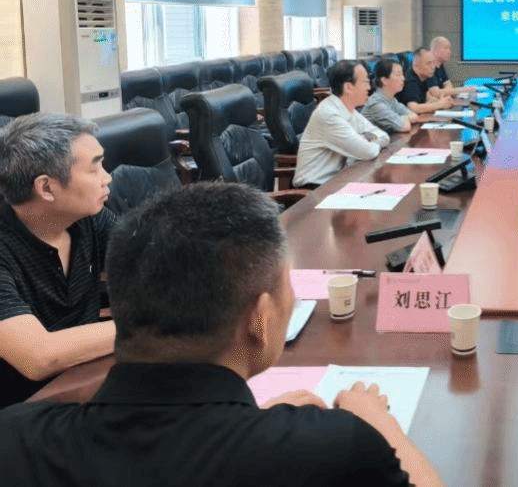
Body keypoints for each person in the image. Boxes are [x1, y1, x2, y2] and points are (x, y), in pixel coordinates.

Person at [0, 182, 446, 485]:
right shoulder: (332, 448)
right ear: (260, 319)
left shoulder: (15, 438)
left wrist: (247, 422)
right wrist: (376, 420)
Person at [0, 113, 116, 408]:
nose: (107, 178)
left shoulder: (89, 218)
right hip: (19, 411)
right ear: (46, 188)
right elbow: (39, 356)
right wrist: (147, 326)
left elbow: (153, 261)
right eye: (95, 169)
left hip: (82, 384)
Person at [293, 60, 390, 189]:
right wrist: (369, 141)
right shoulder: (328, 114)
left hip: (337, 181)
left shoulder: (349, 109)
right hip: (314, 189)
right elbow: (368, 152)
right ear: (348, 87)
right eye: (365, 82)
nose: (369, 87)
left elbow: (383, 136)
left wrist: (368, 141)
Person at [362, 58, 419, 134]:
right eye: (398, 75)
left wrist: (402, 118)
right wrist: (404, 118)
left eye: (402, 74)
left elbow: (414, 116)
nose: (403, 78)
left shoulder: (391, 99)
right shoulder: (375, 104)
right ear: (384, 80)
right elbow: (404, 126)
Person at [398, 48, 455, 115]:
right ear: (416, 66)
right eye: (428, 63)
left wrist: (443, 102)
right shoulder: (411, 81)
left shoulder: (425, 77)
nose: (433, 67)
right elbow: (414, 108)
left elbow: (429, 100)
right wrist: (440, 104)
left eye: (433, 63)